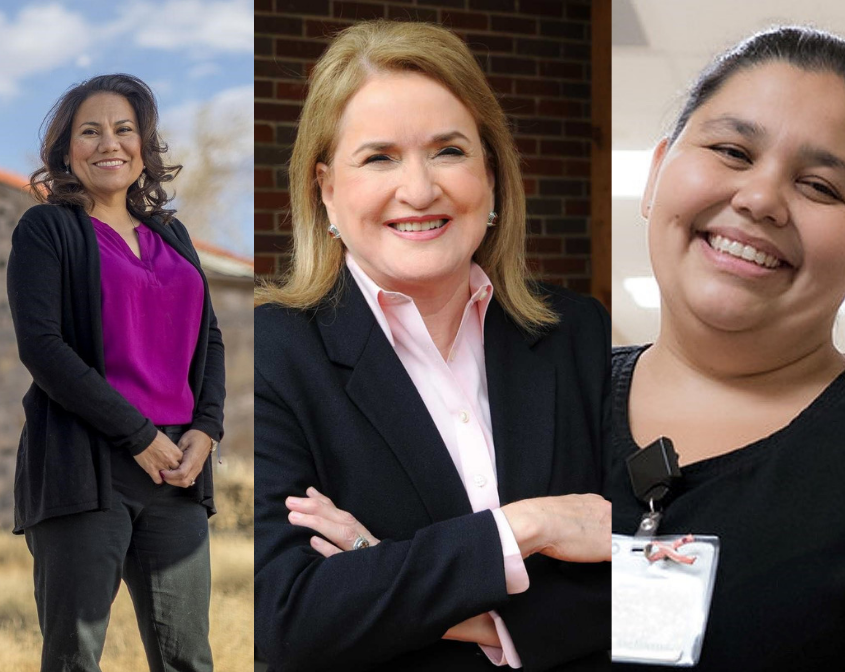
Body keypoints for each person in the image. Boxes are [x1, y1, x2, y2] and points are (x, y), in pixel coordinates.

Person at [253, 21, 611, 671]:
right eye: (379, 156)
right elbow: (282, 618)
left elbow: (648, 579)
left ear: (492, 177)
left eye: (448, 151)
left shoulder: (577, 334)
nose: (419, 190)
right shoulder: (271, 355)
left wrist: (379, 572)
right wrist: (530, 528)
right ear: (326, 189)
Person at [606, 26, 845, 669]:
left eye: (820, 187)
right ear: (655, 175)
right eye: (730, 150)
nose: (759, 199)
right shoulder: (535, 397)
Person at [6, 73, 224, 672]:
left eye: (124, 129)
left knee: (190, 660)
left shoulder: (172, 235)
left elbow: (209, 336)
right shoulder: (46, 229)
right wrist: (138, 437)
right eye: (91, 131)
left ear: (143, 145)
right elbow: (44, 348)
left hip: (178, 469)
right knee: (74, 656)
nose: (110, 143)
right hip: (86, 467)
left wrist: (206, 428)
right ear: (66, 150)